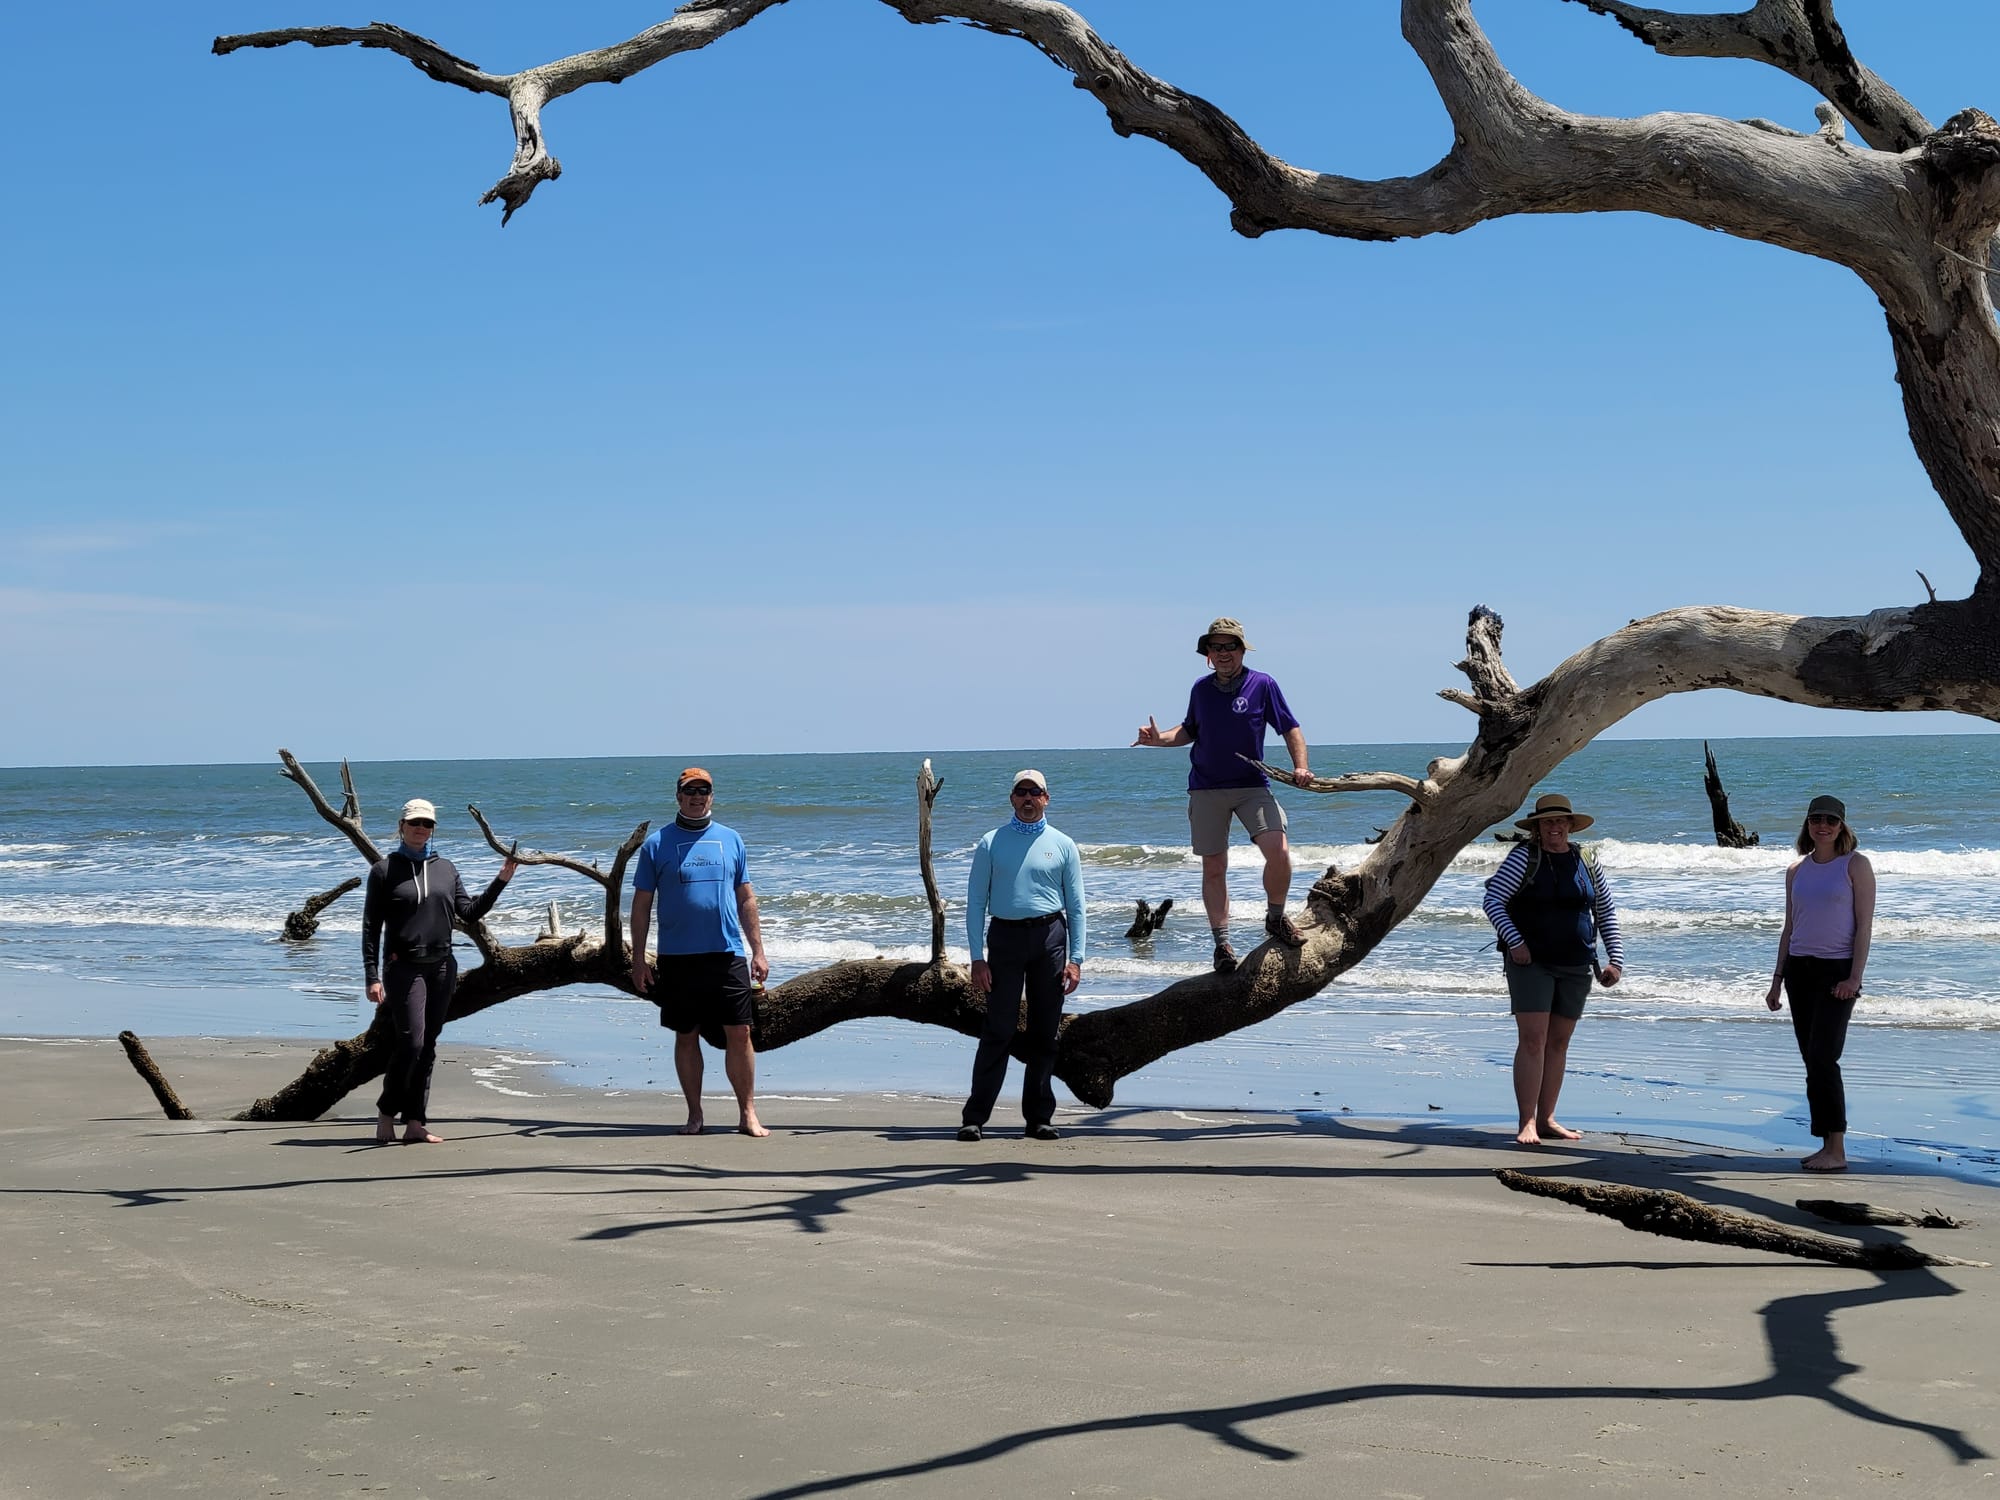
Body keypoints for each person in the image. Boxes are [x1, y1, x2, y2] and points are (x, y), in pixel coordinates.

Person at [1133, 616, 1313, 974]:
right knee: (1214, 868)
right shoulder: (1200, 689)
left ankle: (1275, 918)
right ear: (1208, 655)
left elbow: (1290, 727)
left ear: (1243, 650)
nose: (1224, 653)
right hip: (1206, 788)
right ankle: (1222, 944)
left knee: (1279, 852)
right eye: (1217, 647)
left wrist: (1301, 766)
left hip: (1252, 785)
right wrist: (1158, 740)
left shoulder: (1263, 684)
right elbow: (1188, 730)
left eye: (1231, 646)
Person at [362, 798, 518, 1144]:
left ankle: (416, 1121)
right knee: (411, 1043)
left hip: (442, 966)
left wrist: (501, 880)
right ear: (401, 826)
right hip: (403, 968)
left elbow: (470, 911)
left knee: (428, 1044)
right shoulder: (384, 871)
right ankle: (387, 1112)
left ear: (433, 829)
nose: (421, 828)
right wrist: (371, 975)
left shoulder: (446, 869)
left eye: (427, 824)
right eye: (415, 822)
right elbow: (371, 926)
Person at [630, 767, 771, 1137]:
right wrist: (638, 959)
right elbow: (641, 905)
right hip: (677, 958)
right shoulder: (657, 844)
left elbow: (746, 898)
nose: (696, 796)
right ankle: (695, 1115)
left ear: (712, 796)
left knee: (739, 1032)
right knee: (686, 1034)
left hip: (726, 953)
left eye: (703, 790)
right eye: (689, 790)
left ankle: (748, 1114)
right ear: (678, 796)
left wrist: (758, 951)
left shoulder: (731, 840)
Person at [1483, 793, 1624, 1147]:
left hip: (1577, 963)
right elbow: (1493, 900)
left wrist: (1615, 960)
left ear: (1571, 825)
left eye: (1561, 821)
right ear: (1538, 827)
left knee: (1558, 1043)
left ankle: (1547, 1119)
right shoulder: (1524, 858)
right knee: (1533, 1041)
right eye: (1548, 822)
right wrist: (1515, 942)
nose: (1555, 827)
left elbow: (1605, 911)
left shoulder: (1586, 860)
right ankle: (1527, 1122)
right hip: (1531, 963)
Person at [959, 769, 1087, 1142]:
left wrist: (1076, 958)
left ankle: (1038, 1119)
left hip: (1050, 937)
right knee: (998, 1030)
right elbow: (974, 903)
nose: (1028, 798)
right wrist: (976, 957)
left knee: (1045, 1034)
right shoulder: (990, 842)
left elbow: (1077, 907)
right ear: (1012, 799)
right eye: (1021, 792)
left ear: (1047, 798)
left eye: (1035, 792)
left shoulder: (1063, 844)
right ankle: (975, 1117)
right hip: (1005, 939)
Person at [1764, 794, 1876, 1173]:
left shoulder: (1856, 865)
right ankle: (1825, 1143)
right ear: (1807, 825)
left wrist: (1854, 978)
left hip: (1837, 972)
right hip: (1800, 971)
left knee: (1824, 1057)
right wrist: (1776, 980)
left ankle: (1838, 1149)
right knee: (1812, 1060)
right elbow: (1789, 928)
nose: (1822, 826)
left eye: (1830, 820)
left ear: (1842, 826)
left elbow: (1864, 927)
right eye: (1816, 819)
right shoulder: (1797, 869)